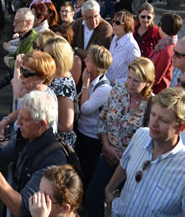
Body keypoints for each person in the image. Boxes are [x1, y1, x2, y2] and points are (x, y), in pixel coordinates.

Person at [0, 91, 66, 217]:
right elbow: (1, 157)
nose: (18, 123)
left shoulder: (53, 161)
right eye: (19, 117)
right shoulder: (26, 136)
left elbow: (21, 208)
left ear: (42, 125)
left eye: (25, 120)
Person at [86, 57, 155, 216]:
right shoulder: (117, 90)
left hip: (130, 166)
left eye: (136, 81)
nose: (130, 83)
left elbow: (150, 140)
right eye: (129, 77)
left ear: (148, 82)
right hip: (107, 156)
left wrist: (125, 156)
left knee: (122, 205)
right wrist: (106, 146)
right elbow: (103, 118)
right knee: (93, 196)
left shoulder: (152, 104)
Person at [105, 88, 185, 216]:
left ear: (180, 127)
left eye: (163, 120)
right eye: (153, 115)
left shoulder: (182, 170)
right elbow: (124, 164)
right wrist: (109, 189)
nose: (154, 123)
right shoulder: (141, 135)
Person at [0, 51, 58, 136]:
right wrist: (4, 122)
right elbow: (21, 111)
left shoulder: (42, 103)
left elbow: (26, 148)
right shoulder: (33, 91)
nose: (21, 76)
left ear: (42, 78)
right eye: (22, 70)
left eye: (26, 73)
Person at [75, 45, 113, 189]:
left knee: (87, 172)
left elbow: (85, 109)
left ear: (96, 65)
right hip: (83, 131)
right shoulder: (92, 80)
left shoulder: (104, 88)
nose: (85, 60)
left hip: (92, 137)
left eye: (89, 59)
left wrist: (84, 85)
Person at [44, 36, 78, 147]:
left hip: (57, 144)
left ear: (59, 58)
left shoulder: (64, 84)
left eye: (48, 57)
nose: (45, 60)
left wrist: (39, 122)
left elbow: (66, 125)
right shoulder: (54, 76)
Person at [151, 12, 183, 94]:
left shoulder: (167, 49)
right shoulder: (165, 43)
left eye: (159, 24)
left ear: (163, 27)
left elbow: (157, 78)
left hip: (156, 92)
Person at [106, 11, 141, 84]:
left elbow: (137, 75)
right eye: (113, 21)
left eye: (117, 23)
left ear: (127, 25)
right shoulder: (115, 37)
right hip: (107, 83)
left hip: (121, 89)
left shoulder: (132, 46)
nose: (113, 24)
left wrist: (114, 81)